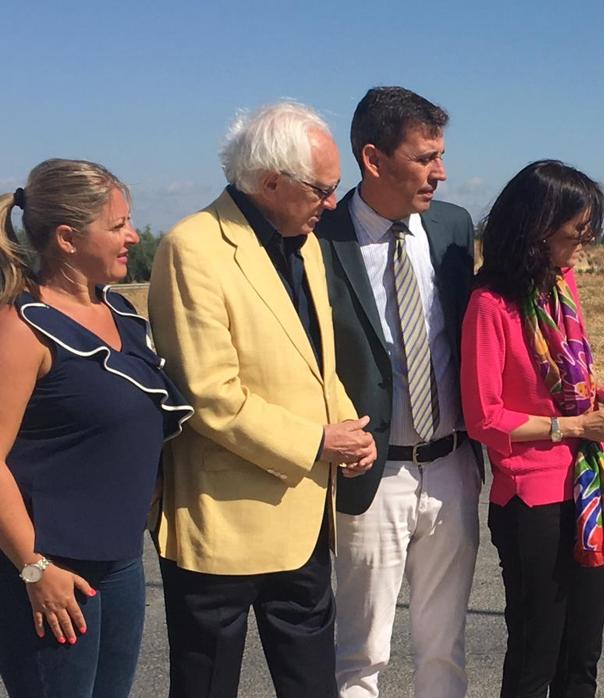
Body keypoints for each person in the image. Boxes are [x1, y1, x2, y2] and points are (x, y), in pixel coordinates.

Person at [147, 102, 376, 698]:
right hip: (223, 524)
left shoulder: (304, 244)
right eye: (323, 191)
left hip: (303, 518)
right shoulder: (192, 247)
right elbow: (208, 393)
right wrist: (317, 442)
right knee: (205, 686)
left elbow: (315, 364)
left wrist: (350, 426)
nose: (332, 204)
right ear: (271, 182)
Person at [0, 160, 193, 698]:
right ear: (67, 238)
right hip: (50, 572)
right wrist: (35, 571)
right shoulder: (21, 329)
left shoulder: (122, 312)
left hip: (121, 562)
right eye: (118, 225)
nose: (133, 235)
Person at [318, 86, 484, 698]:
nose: (441, 171)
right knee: (362, 651)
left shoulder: (451, 227)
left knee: (445, 644)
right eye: (425, 157)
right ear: (373, 158)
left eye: (440, 155)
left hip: (451, 463)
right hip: (373, 471)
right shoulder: (321, 238)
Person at [462, 160, 604, 697]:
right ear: (535, 230)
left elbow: (558, 374)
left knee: (582, 657)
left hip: (585, 488)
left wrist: (597, 393)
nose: (581, 247)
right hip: (531, 500)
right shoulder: (489, 305)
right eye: (573, 235)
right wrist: (573, 424)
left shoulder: (560, 286)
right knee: (536, 656)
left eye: (588, 234)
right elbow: (486, 418)